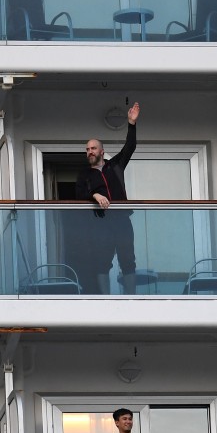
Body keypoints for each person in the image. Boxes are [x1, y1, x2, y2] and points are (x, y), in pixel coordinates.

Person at [75, 102, 141, 294]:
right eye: (87, 149)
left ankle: (131, 298)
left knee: (128, 259)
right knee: (102, 261)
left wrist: (131, 123)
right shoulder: (84, 175)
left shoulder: (115, 166)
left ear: (102, 151)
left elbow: (130, 147)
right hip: (101, 223)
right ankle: (106, 299)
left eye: (93, 148)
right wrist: (94, 194)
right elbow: (79, 195)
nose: (90, 152)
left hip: (121, 220)